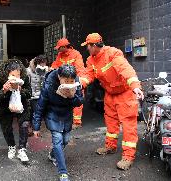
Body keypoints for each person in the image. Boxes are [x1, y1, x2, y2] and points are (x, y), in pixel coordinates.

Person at [79, 33, 144, 170]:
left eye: (88, 46)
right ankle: (110, 146)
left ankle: (128, 156)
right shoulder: (91, 60)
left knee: (128, 126)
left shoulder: (113, 53)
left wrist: (136, 87)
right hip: (110, 94)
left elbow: (125, 69)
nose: (87, 49)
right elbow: (88, 74)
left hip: (125, 93)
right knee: (110, 121)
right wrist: (80, 84)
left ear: (95, 45)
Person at [33, 65, 83, 181]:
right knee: (57, 140)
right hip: (52, 114)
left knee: (65, 140)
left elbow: (80, 101)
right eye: (66, 81)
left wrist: (72, 96)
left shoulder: (76, 82)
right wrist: (36, 127)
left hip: (66, 114)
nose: (69, 83)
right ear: (59, 77)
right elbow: (40, 106)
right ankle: (63, 173)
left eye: (71, 81)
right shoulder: (49, 84)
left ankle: (52, 154)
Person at [0, 59, 32, 163]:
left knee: (24, 124)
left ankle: (22, 149)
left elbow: (29, 94)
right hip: (5, 107)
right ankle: (11, 146)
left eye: (18, 75)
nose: (16, 77)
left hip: (21, 105)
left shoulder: (24, 78)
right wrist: (4, 90)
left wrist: (20, 89)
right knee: (6, 127)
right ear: (7, 73)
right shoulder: (1, 80)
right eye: (13, 75)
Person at [51, 38, 85, 129]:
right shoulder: (60, 55)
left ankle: (77, 122)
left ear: (64, 47)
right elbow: (56, 64)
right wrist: (51, 69)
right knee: (64, 99)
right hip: (64, 82)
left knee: (76, 100)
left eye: (59, 48)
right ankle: (65, 120)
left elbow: (80, 69)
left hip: (74, 81)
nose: (58, 50)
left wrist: (78, 82)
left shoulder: (76, 54)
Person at [26, 55, 48, 135]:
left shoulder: (45, 70)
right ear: (37, 63)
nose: (43, 65)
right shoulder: (28, 71)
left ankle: (34, 128)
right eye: (42, 63)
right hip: (32, 95)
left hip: (41, 94)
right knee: (32, 112)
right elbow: (26, 83)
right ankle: (31, 128)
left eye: (45, 63)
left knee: (37, 112)